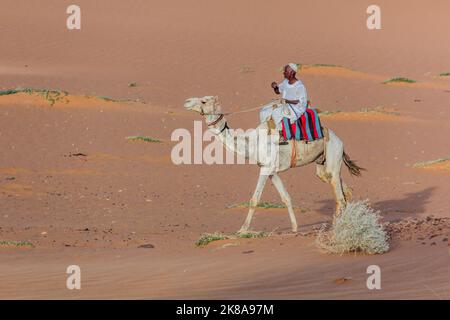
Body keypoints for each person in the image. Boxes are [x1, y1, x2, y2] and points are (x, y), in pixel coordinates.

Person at [259, 63, 308, 142]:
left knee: (276, 113)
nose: (284, 73)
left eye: (285, 71)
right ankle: (266, 131)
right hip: (284, 104)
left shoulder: (300, 86)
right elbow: (278, 91)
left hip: (296, 109)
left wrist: (286, 101)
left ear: (292, 73)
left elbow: (300, 102)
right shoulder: (285, 82)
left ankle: (279, 134)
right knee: (264, 110)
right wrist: (275, 87)